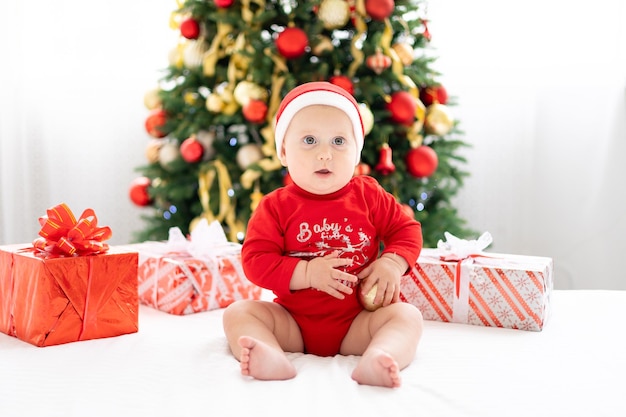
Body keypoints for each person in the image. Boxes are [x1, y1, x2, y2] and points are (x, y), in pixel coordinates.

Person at [222, 81, 424, 388]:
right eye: (309, 140)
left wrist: (392, 264)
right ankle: (269, 353)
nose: (325, 154)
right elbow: (255, 261)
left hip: (358, 322)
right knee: (238, 313)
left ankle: (381, 355)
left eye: (339, 141)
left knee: (407, 316)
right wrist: (306, 273)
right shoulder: (276, 206)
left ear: (357, 153)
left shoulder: (368, 195)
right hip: (292, 324)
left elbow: (406, 230)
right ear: (284, 153)